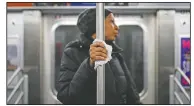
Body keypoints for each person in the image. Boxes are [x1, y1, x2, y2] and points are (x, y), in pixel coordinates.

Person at [56, 8, 141, 104]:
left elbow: (131, 94)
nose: (117, 27)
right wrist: (89, 65)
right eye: (112, 22)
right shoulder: (73, 52)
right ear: (97, 26)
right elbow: (65, 96)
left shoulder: (115, 54)